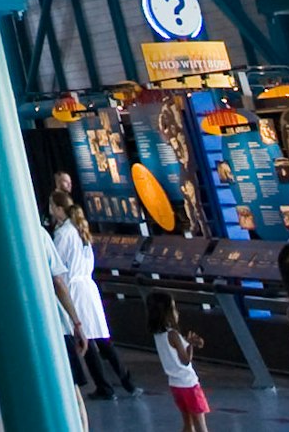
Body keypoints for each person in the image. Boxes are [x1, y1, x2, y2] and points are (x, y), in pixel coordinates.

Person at [47, 180, 131, 399]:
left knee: (87, 337)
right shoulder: (80, 231)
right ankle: (126, 381)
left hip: (74, 288)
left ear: (57, 208)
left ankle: (105, 386)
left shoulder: (63, 234)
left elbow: (56, 263)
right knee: (101, 337)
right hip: (87, 287)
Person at [150, 292, 209, 426]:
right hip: (189, 383)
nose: (177, 312)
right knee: (200, 426)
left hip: (175, 385)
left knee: (188, 425)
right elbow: (186, 360)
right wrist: (190, 346)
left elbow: (175, 353)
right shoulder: (173, 334)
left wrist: (186, 343)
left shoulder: (159, 334)